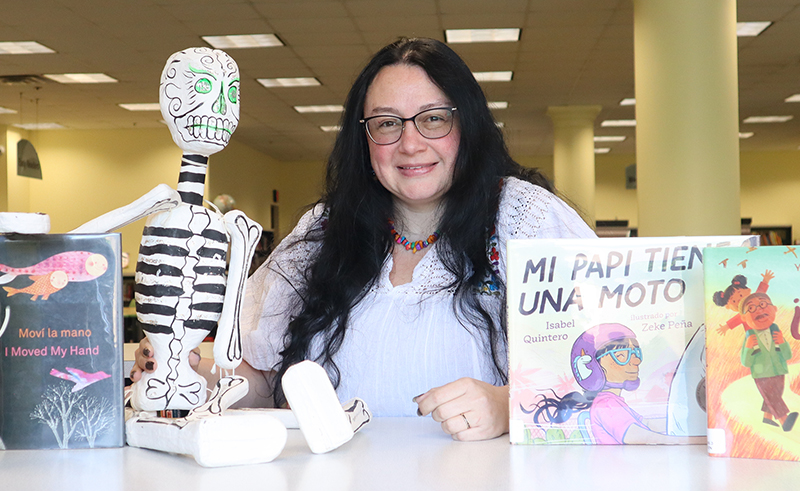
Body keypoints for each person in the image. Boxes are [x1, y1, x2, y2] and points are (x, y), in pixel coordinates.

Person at [132, 37, 595, 441]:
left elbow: (610, 369)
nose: (410, 144)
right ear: (365, 138)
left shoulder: (525, 219)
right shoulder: (322, 232)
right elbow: (260, 381)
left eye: (433, 119)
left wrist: (508, 406)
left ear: (467, 126)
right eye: (387, 123)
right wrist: (190, 373)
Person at [526, 323, 704, 444]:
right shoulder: (607, 406)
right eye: (621, 355)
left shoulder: (615, 402)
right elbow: (643, 436)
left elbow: (648, 423)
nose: (635, 361)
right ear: (591, 366)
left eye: (636, 353)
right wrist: (695, 439)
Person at [739, 292, 797, 431]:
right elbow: (746, 362)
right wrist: (748, 348)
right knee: (772, 396)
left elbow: (787, 355)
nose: (759, 310)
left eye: (763, 304)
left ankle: (767, 417)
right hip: (761, 373)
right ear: (744, 317)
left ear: (774, 309)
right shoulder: (750, 337)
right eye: (751, 308)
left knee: (774, 394)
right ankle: (784, 421)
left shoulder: (776, 331)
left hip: (779, 369)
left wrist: (782, 342)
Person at [712, 270, 773, 335]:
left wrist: (765, 280)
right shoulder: (744, 314)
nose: (740, 300)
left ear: (748, 290)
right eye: (734, 301)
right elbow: (736, 320)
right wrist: (726, 327)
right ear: (728, 306)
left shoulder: (755, 300)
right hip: (752, 335)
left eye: (741, 295)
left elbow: (760, 292)